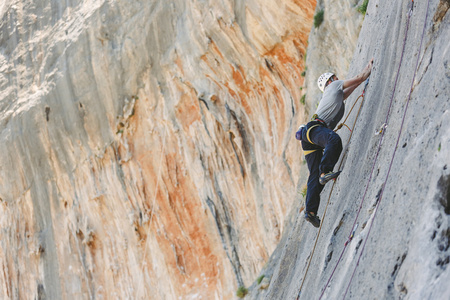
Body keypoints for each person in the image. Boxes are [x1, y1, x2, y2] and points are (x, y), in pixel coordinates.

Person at [297, 59, 373, 228]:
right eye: (335, 77)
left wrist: (363, 80)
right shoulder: (334, 86)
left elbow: (348, 92)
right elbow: (360, 77)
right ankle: (325, 171)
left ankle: (310, 211)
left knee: (313, 177)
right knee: (334, 140)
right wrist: (370, 65)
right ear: (331, 80)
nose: (338, 78)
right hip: (314, 129)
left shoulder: (334, 93)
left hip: (309, 138)